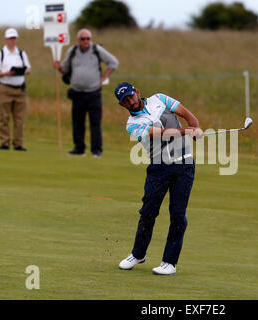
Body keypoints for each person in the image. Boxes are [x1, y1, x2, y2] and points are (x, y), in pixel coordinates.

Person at [115, 82, 204, 276]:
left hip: (183, 165)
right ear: (122, 105)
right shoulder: (132, 125)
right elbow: (159, 135)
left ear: (137, 92)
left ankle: (169, 263)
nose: (131, 101)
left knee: (178, 215)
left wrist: (195, 127)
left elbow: (186, 114)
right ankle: (138, 254)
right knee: (148, 212)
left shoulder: (160, 99)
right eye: (126, 101)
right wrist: (187, 131)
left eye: (131, 96)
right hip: (158, 167)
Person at [53, 29, 119, 158]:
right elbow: (65, 69)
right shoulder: (72, 51)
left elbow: (114, 63)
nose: (86, 41)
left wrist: (104, 77)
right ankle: (79, 149)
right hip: (77, 93)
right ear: (78, 40)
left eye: (88, 38)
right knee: (77, 122)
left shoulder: (97, 50)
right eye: (83, 39)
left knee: (95, 123)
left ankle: (96, 151)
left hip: (93, 93)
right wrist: (58, 67)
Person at [0, 28, 31, 151]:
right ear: (6, 39)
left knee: (19, 119)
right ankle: (4, 142)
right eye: (10, 38)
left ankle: (18, 144)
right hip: (5, 88)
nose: (12, 41)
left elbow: (29, 69)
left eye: (14, 38)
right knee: (4, 117)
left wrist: (23, 70)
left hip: (20, 89)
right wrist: (6, 73)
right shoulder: (0, 54)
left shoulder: (21, 53)